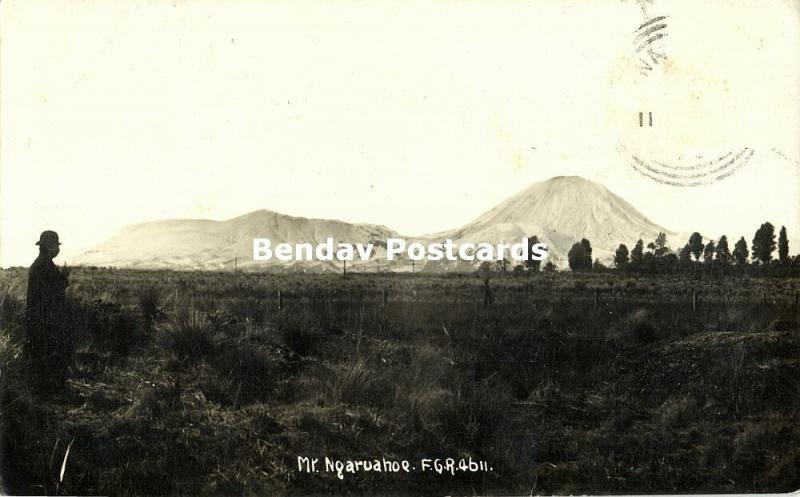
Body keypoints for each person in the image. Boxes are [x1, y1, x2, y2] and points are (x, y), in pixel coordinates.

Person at [25, 230, 71, 392]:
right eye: (55, 245)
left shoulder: (43, 264)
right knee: (44, 353)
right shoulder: (42, 266)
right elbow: (49, 292)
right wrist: (64, 279)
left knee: (44, 353)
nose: (57, 249)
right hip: (43, 319)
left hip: (42, 318)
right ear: (48, 246)